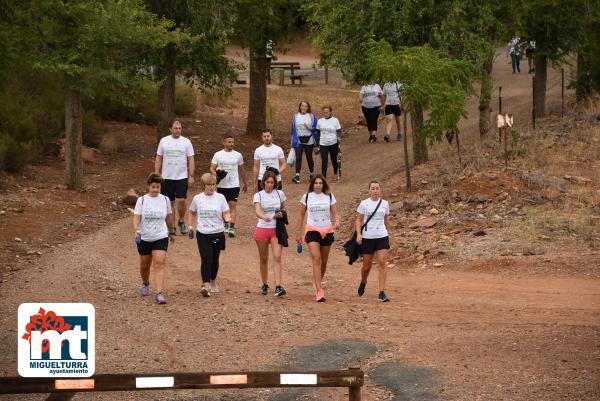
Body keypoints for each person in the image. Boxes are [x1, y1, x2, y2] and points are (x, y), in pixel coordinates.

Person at [132, 173, 175, 305]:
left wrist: (171, 231)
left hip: (160, 236)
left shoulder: (165, 200)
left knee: (159, 263)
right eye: (153, 187)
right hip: (144, 236)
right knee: (144, 265)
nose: (156, 189)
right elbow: (136, 217)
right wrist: (137, 229)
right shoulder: (142, 200)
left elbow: (169, 217)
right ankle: (145, 283)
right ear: (148, 186)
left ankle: (159, 293)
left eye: (158, 187)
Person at [296, 175, 340, 302]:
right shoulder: (307, 197)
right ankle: (319, 291)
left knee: (324, 261)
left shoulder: (329, 196)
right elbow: (301, 215)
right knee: (317, 258)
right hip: (312, 230)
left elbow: (335, 213)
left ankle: (317, 281)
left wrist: (336, 221)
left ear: (323, 184)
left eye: (320, 183)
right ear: (312, 184)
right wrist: (298, 232)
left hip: (327, 230)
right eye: (316, 183)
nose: (318, 185)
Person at [188, 173, 231, 297]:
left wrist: (227, 218)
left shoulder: (220, 197)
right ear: (203, 186)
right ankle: (205, 285)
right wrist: (190, 226)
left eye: (213, 185)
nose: (212, 187)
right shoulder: (197, 198)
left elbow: (226, 212)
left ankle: (212, 280)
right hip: (203, 233)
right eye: (209, 185)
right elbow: (192, 212)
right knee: (206, 258)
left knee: (214, 259)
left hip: (218, 232)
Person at [155, 120, 195, 235]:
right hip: (166, 177)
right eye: (176, 128)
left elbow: (191, 159)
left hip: (181, 177)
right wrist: (157, 173)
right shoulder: (164, 141)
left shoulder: (186, 142)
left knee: (181, 200)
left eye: (180, 128)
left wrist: (191, 176)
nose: (178, 130)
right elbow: (159, 157)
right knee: (170, 202)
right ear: (170, 129)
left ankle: (181, 220)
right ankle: (171, 227)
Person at [252, 170, 287, 297]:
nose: (270, 185)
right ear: (264, 182)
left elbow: (283, 208)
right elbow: (257, 211)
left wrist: (281, 213)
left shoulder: (280, 194)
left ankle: (278, 286)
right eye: (268, 182)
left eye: (272, 182)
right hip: (262, 228)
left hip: (276, 229)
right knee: (264, 258)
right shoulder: (258, 195)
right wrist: (263, 216)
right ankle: (265, 284)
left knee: (277, 257)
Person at [355, 181, 391, 302]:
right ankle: (363, 281)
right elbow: (358, 220)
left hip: (382, 236)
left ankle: (381, 292)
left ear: (380, 190)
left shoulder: (385, 204)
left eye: (377, 188)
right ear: (369, 190)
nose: (375, 190)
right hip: (368, 237)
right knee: (366, 266)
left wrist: (388, 233)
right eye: (373, 188)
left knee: (382, 262)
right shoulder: (364, 204)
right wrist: (359, 234)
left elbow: (385, 220)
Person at [210, 133, 247, 237]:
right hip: (221, 185)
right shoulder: (218, 155)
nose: (232, 144)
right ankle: (225, 224)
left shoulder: (238, 155)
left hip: (234, 184)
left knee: (233, 205)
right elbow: (212, 168)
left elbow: (242, 170)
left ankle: (231, 227)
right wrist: (216, 174)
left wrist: (245, 183)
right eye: (229, 142)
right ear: (224, 143)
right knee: (224, 206)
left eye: (233, 142)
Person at [290, 101, 317, 184]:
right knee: (298, 157)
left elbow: (316, 128)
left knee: (309, 157)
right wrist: (292, 140)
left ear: (308, 108)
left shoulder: (311, 116)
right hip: (298, 139)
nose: (304, 108)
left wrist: (311, 129)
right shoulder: (295, 116)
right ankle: (297, 176)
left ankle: (311, 175)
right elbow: (293, 129)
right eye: (302, 106)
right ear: (300, 107)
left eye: (306, 106)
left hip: (309, 139)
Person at [315, 105, 342, 181]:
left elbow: (339, 131)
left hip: (333, 143)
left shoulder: (335, 120)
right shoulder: (320, 121)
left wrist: (339, 137)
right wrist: (318, 143)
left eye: (327, 112)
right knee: (324, 160)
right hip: (323, 143)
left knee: (334, 159)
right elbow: (317, 132)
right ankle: (323, 176)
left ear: (330, 112)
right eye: (324, 112)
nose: (325, 114)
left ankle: (335, 174)